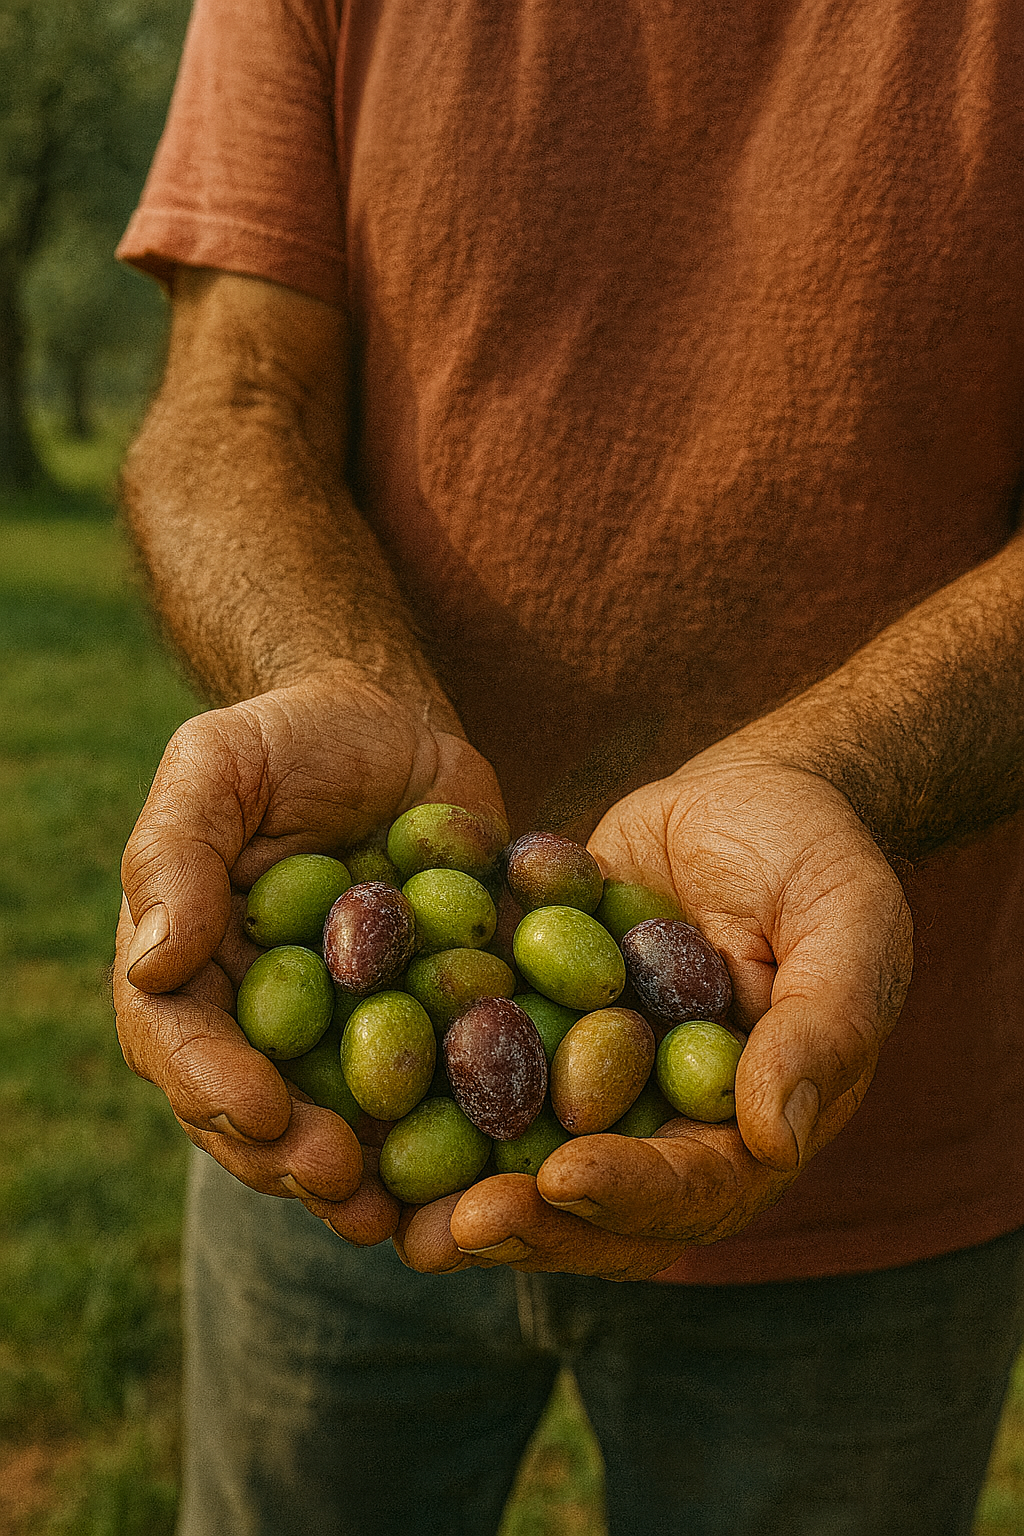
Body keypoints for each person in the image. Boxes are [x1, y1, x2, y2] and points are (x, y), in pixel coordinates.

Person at [113, 1, 1024, 1531]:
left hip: (869, 1138)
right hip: (323, 1136)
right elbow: (232, 391)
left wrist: (837, 776)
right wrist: (337, 685)